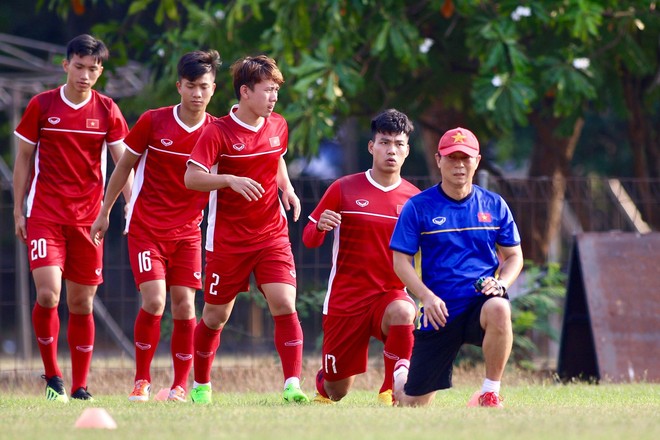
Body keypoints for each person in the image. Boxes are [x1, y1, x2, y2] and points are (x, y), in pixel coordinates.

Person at [89, 50, 221, 403]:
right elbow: (123, 167)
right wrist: (105, 211)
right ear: (179, 86)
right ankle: (141, 380)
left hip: (189, 233)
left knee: (185, 307)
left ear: (213, 90)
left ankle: (180, 385)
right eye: (191, 86)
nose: (197, 93)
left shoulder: (217, 131)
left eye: (204, 87)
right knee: (155, 300)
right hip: (147, 228)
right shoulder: (153, 121)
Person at [184, 55, 308, 404]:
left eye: (276, 92)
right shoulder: (217, 131)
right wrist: (228, 180)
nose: (273, 98)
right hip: (227, 241)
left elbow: (277, 157)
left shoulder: (278, 125)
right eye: (268, 91)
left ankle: (292, 385)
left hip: (271, 234)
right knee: (215, 316)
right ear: (245, 91)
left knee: (285, 302)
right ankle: (202, 386)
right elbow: (192, 177)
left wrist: (287, 188)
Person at [12, 34, 130, 402]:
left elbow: (123, 161)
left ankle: (80, 386)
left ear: (100, 71)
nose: (85, 75)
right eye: (78, 67)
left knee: (81, 303)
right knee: (48, 293)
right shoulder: (42, 105)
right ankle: (52, 378)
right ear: (66, 66)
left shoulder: (107, 109)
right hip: (45, 213)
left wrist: (130, 204)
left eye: (93, 69)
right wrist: (19, 209)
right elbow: (23, 160)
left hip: (89, 220)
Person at [389, 127, 523, 408]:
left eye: (466, 158)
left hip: (479, 306)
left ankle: (490, 392)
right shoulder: (418, 206)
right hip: (439, 312)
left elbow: (514, 256)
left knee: (500, 307)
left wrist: (502, 284)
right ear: (438, 160)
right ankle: (402, 375)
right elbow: (400, 261)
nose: (459, 165)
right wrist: (425, 296)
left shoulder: (494, 204)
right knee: (412, 404)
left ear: (477, 161)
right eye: (451, 157)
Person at [302, 109, 420, 405]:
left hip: (389, 296)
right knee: (335, 391)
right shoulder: (343, 188)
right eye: (384, 142)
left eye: (398, 143)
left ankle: (390, 389)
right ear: (371, 147)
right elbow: (309, 239)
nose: (391, 150)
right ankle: (325, 379)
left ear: (407, 150)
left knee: (405, 312)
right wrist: (319, 226)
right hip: (346, 300)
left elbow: (428, 254)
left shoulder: (415, 201)